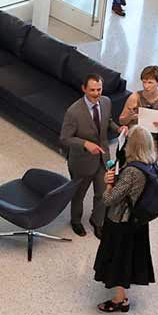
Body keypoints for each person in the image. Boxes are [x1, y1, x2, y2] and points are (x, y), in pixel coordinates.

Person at [93, 128, 158, 312]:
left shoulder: (132, 172)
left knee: (118, 260)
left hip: (121, 221)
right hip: (138, 221)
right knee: (129, 256)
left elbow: (109, 199)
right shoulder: (151, 163)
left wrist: (108, 183)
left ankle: (120, 299)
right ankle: (123, 291)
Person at [58, 73, 116, 237]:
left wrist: (118, 128)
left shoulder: (106, 102)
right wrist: (85, 144)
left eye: (99, 89)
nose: (97, 93)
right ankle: (75, 221)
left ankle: (97, 221)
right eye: (92, 90)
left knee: (103, 193)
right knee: (78, 194)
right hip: (81, 161)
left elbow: (107, 121)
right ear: (84, 89)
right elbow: (64, 138)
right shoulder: (73, 112)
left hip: (103, 158)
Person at [119, 65, 158, 166]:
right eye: (144, 82)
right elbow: (121, 120)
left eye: (150, 82)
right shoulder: (134, 97)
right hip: (135, 139)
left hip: (154, 141)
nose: (146, 86)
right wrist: (130, 117)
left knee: (151, 167)